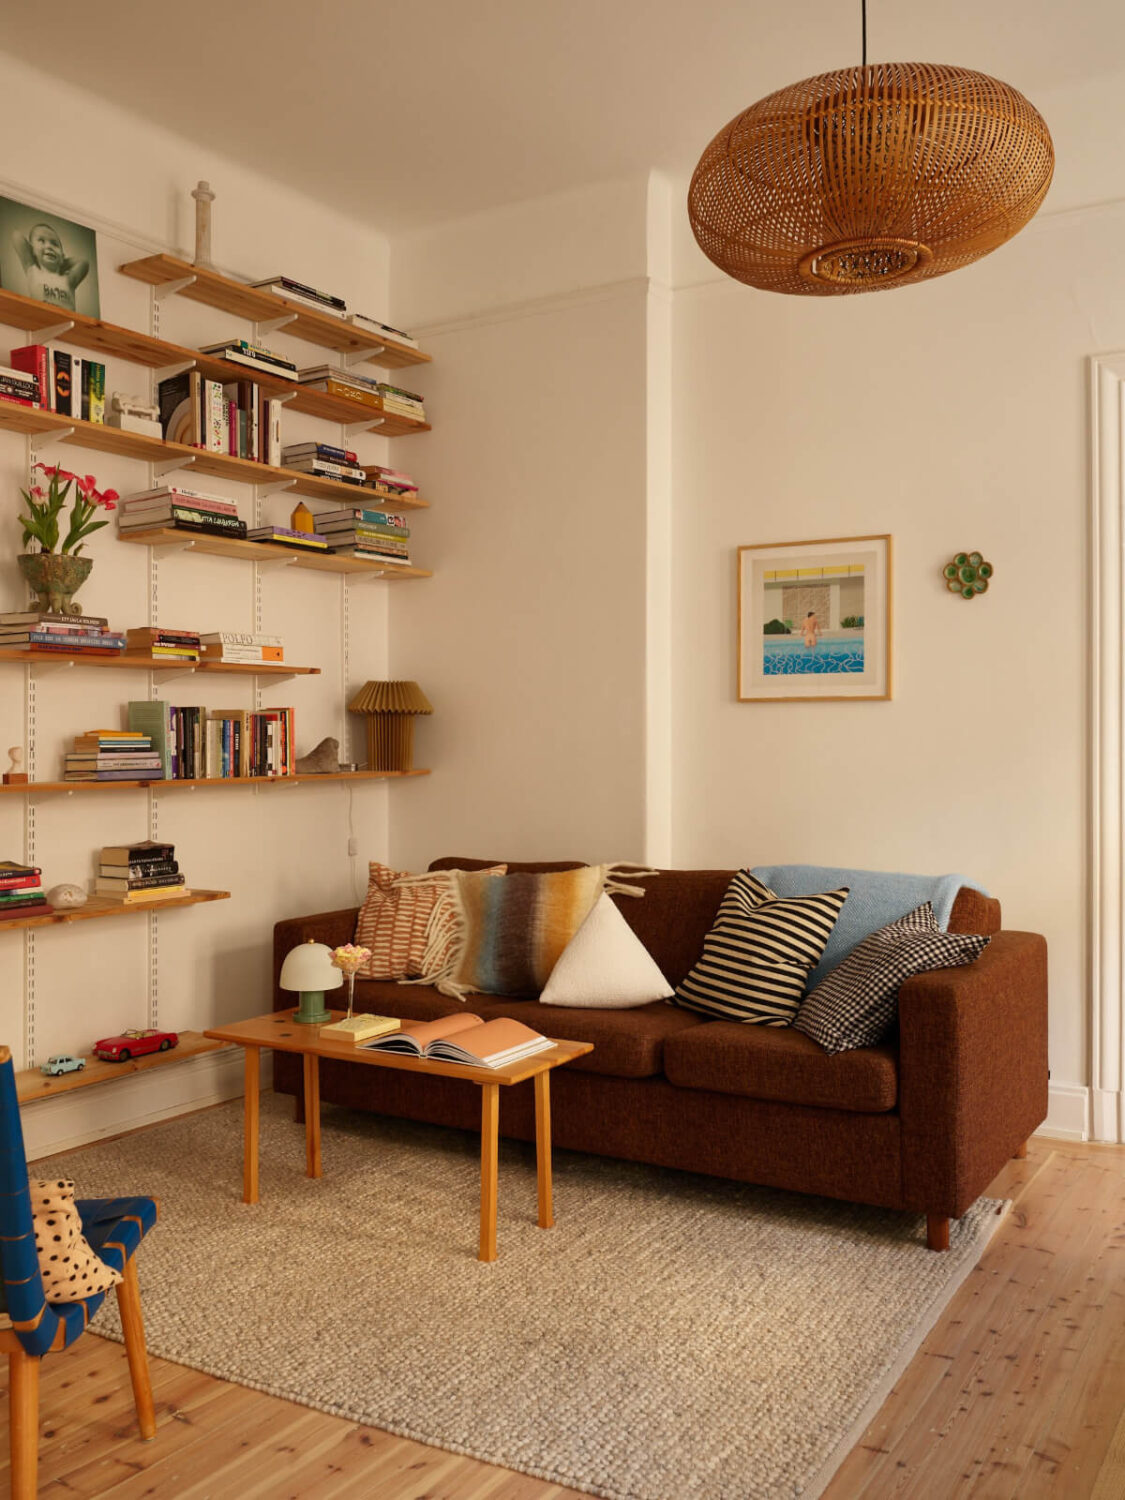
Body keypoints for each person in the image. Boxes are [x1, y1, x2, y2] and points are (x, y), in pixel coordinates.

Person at [12, 221, 89, 311]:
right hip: (41, 316)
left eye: (54, 244)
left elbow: (84, 263)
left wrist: (61, 261)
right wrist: (35, 253)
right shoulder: (33, 270)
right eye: (42, 241)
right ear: (32, 250)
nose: (49, 246)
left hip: (67, 320)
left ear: (62, 255)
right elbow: (16, 237)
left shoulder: (68, 279)